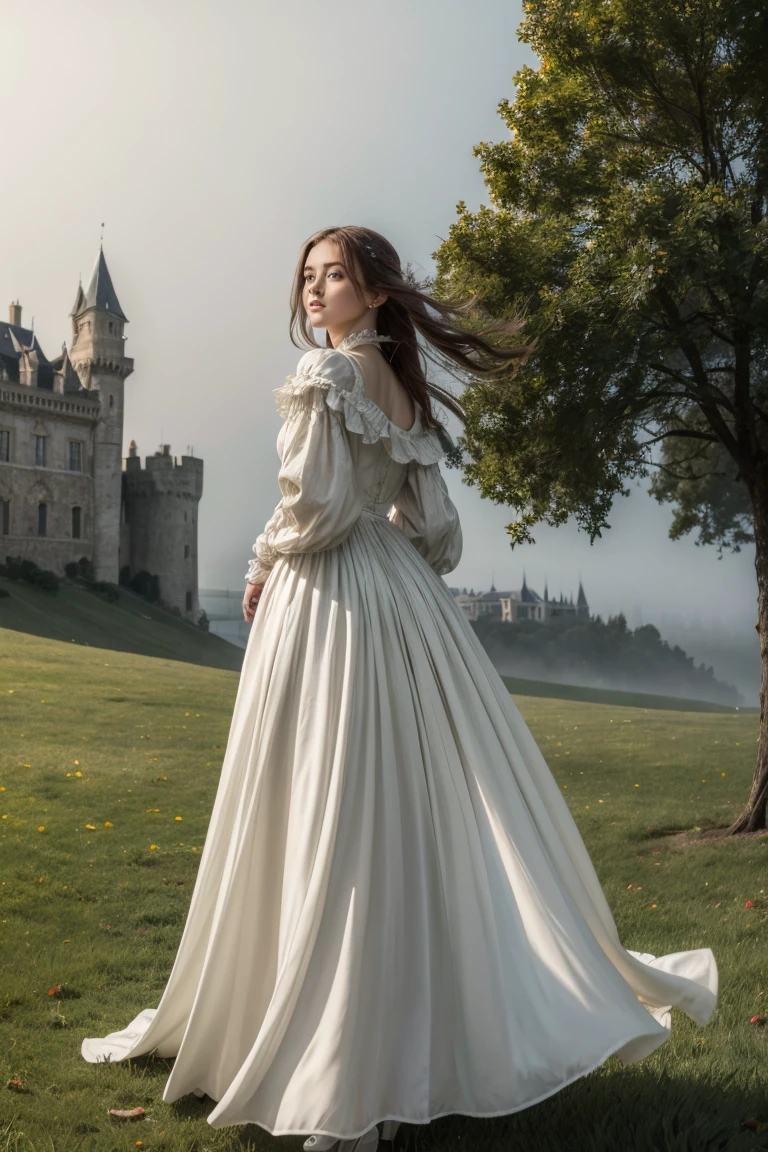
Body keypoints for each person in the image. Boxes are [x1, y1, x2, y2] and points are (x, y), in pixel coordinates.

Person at [81, 226, 718, 1151]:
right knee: (383, 806)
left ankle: (329, 1050)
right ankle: (390, 1034)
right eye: (307, 275)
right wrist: (382, 556)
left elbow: (313, 505)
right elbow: (431, 531)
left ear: (374, 291)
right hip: (397, 602)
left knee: (321, 800)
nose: (314, 289)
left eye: (333, 275)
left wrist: (263, 562)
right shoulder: (403, 391)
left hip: (332, 600)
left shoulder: (332, 375)